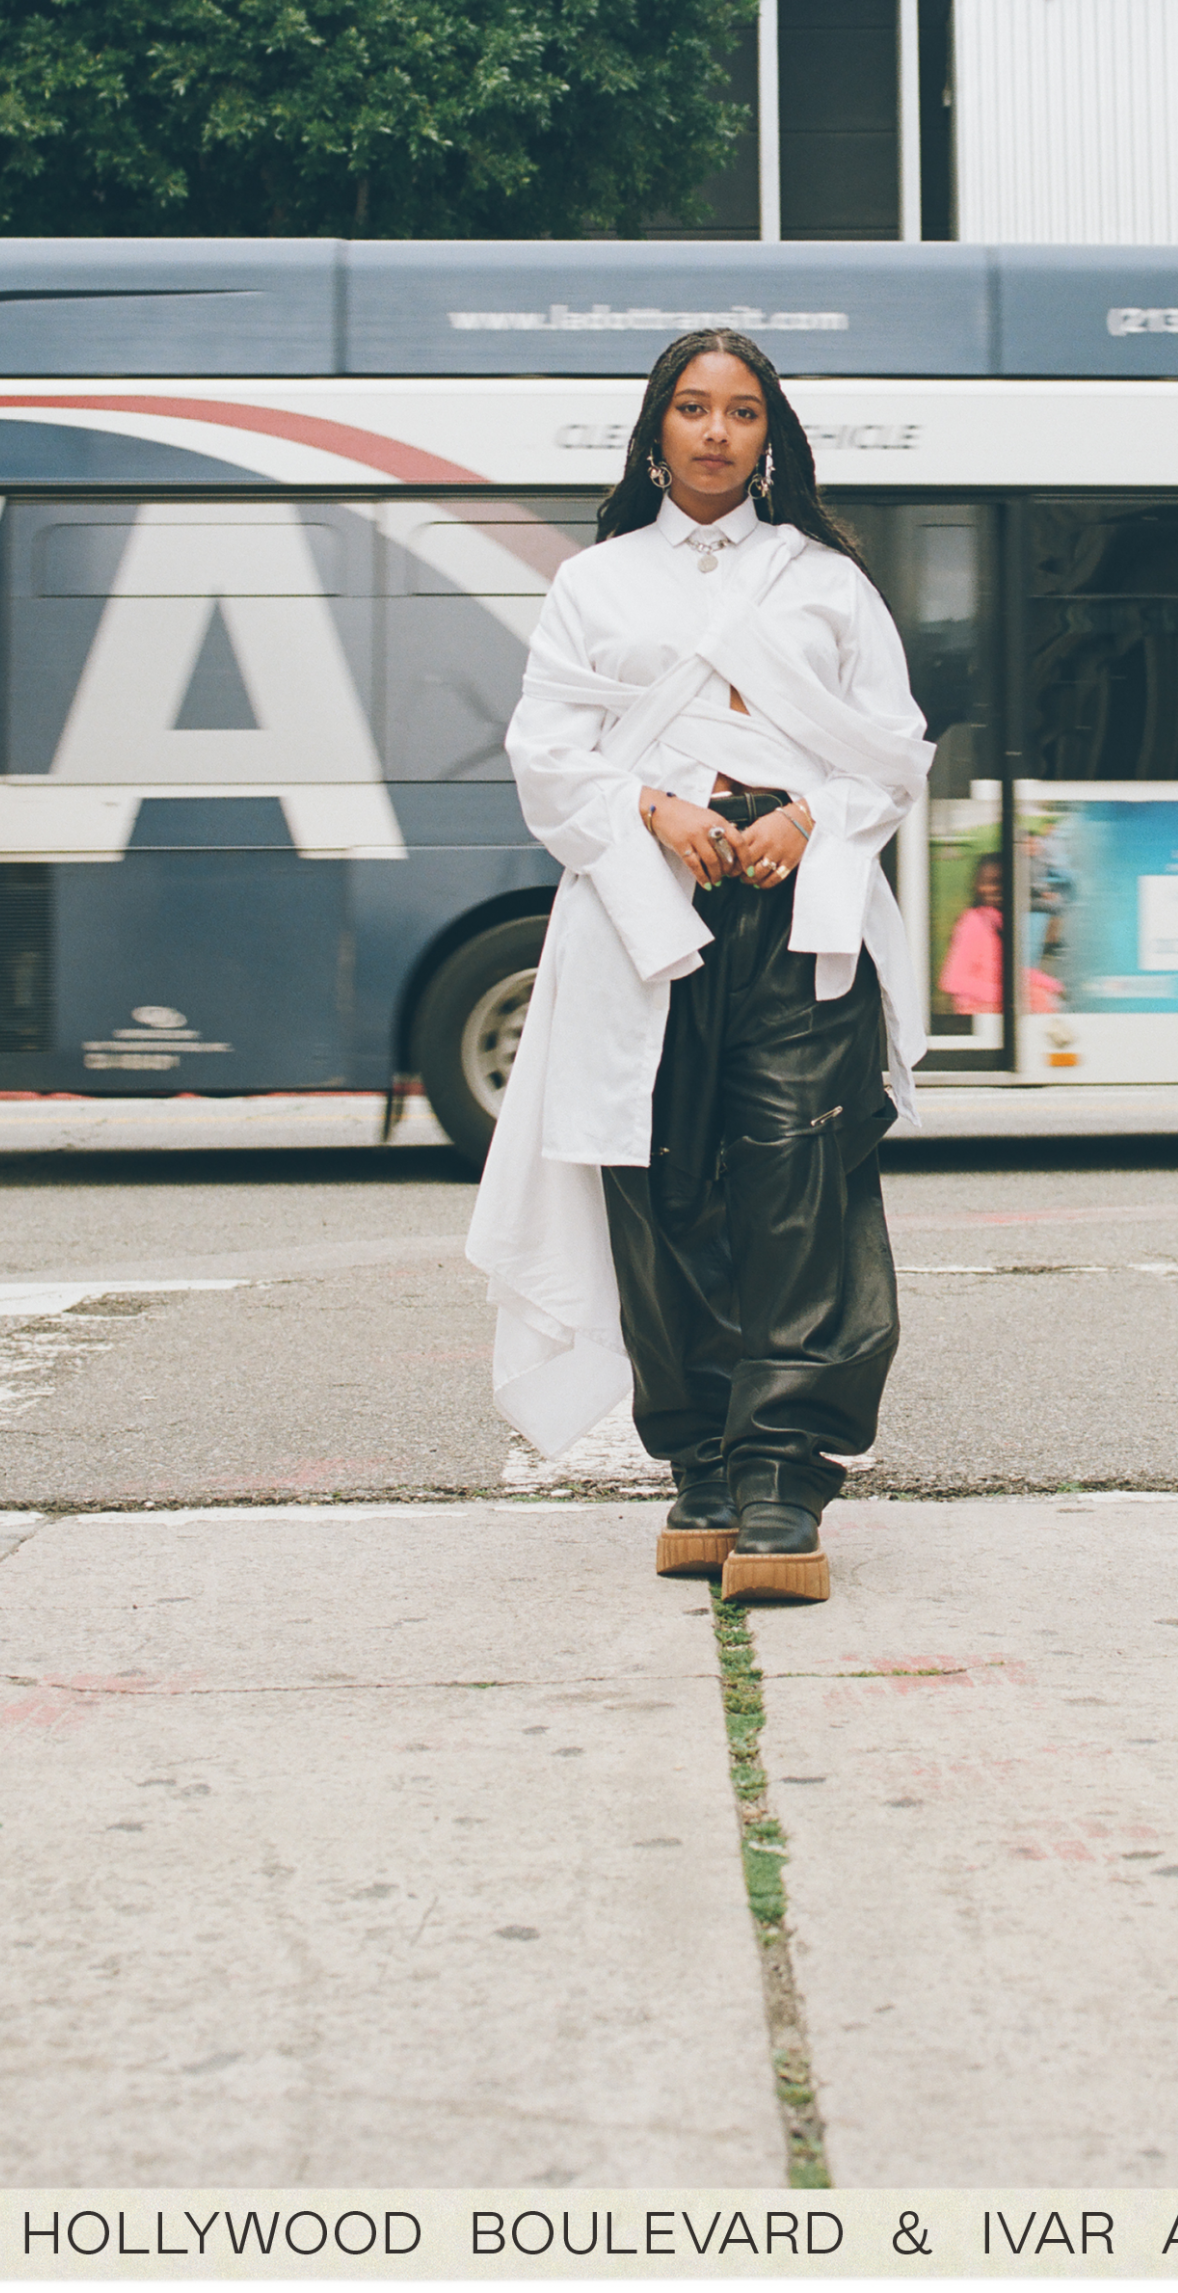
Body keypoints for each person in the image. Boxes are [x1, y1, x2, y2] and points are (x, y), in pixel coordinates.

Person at [466, 330, 932, 1604]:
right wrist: (657, 812)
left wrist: (806, 818)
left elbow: (890, 750)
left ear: (768, 434)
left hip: (799, 912)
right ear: (655, 429)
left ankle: (781, 1475)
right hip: (639, 912)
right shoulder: (594, 584)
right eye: (691, 408)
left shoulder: (826, 583)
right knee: (656, 1180)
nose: (715, 433)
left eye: (739, 412)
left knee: (797, 1177)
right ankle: (701, 1467)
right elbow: (547, 756)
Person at [938, 854, 1063, 1019]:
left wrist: (1049, 983)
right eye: (988, 883)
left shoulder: (999, 920)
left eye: (1002, 883)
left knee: (1041, 996)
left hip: (997, 1004)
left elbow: (1006, 970)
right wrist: (1005, 995)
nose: (995, 889)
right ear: (977, 885)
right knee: (1037, 1000)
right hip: (977, 1012)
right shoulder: (972, 922)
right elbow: (952, 980)